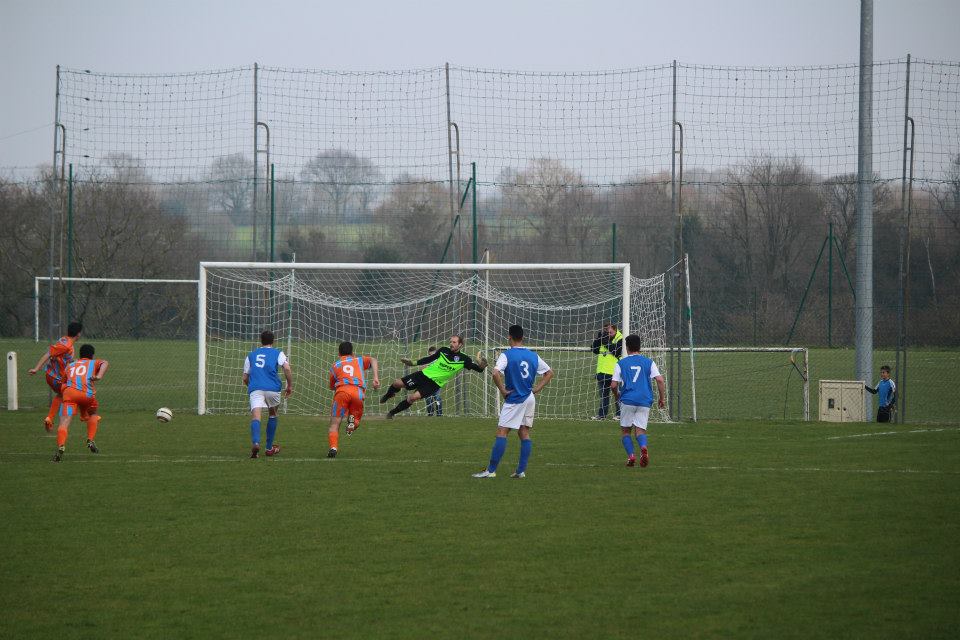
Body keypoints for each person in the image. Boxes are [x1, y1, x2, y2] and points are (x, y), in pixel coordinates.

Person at [473, 325, 553, 479]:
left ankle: (490, 471)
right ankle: (520, 471)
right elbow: (549, 373)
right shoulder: (533, 355)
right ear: (522, 338)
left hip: (515, 399)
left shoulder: (507, 355)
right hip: (529, 398)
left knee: (502, 432)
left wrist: (503, 390)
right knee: (524, 432)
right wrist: (536, 389)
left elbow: (495, 373)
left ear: (509, 337)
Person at [380, 334, 486, 418]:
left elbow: (478, 369)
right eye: (451, 342)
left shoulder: (464, 359)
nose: (451, 344)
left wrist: (481, 366)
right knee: (396, 383)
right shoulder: (443, 350)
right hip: (423, 375)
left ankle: (391, 413)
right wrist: (413, 363)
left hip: (434, 384)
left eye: (454, 342)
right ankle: (388, 395)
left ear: (460, 345)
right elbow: (428, 359)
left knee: (413, 397)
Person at [611, 334, 666, 468]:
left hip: (628, 400)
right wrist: (662, 398)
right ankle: (643, 448)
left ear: (627, 347)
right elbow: (660, 380)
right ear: (640, 347)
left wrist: (617, 396)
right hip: (644, 400)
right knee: (640, 431)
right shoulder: (649, 362)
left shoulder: (621, 363)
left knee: (625, 431)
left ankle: (631, 456)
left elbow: (613, 385)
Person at [52, 343, 107, 462]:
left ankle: (61, 446)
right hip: (87, 395)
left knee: (64, 422)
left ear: (80, 354)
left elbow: (63, 384)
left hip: (70, 394)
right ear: (92, 355)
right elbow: (105, 363)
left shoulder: (70, 365)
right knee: (93, 413)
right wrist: (98, 376)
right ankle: (90, 439)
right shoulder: (93, 362)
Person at [243, 330, 293, 459]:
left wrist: (253, 387)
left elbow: (245, 378)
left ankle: (255, 443)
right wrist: (289, 385)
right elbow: (287, 368)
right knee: (273, 414)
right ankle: (269, 448)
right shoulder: (278, 353)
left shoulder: (251, 355)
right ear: (273, 341)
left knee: (256, 416)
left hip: (256, 388)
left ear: (261, 340)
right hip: (272, 388)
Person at [327, 341, 380, 458]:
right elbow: (373, 360)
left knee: (334, 424)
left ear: (339, 353)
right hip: (358, 392)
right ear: (352, 352)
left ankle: (333, 447)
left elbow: (331, 386)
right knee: (354, 417)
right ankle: (352, 423)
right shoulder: (358, 360)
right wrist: (375, 377)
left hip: (342, 392)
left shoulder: (335, 365)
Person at [29, 321, 83, 432]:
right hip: (56, 377)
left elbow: (64, 359)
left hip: (51, 375)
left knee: (61, 394)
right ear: (78, 334)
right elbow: (48, 353)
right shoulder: (66, 345)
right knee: (73, 394)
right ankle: (83, 416)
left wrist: (75, 361)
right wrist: (36, 368)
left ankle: (50, 418)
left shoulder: (64, 340)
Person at [590, 321, 623, 420]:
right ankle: (602, 415)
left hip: (616, 372)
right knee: (604, 395)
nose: (608, 334)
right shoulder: (603, 338)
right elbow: (594, 350)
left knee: (618, 394)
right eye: (607, 332)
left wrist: (606, 342)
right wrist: (598, 339)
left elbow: (617, 352)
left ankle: (620, 414)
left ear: (615, 330)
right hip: (602, 371)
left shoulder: (620, 338)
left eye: (610, 332)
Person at [424, 347, 443, 417]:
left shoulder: (440, 361)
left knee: (437, 398)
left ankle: (439, 414)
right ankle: (430, 414)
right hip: (427, 383)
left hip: (436, 383)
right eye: (430, 355)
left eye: (433, 355)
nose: (431, 357)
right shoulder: (427, 361)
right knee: (428, 399)